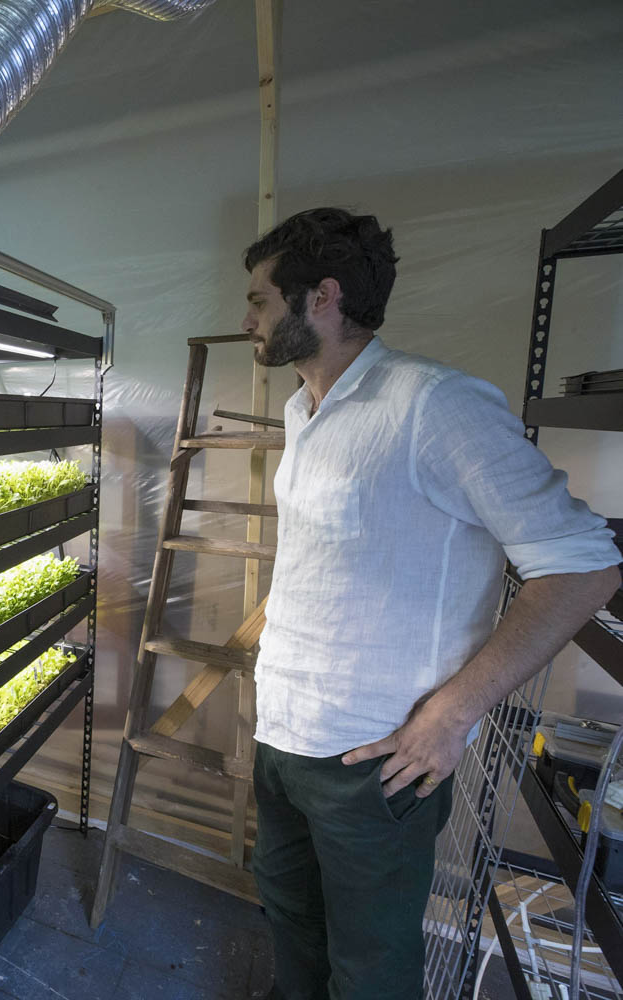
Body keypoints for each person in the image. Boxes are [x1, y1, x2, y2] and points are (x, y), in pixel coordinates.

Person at [240, 207, 621, 1000]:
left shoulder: (433, 405)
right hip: (283, 731)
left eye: (259, 300)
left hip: (376, 760)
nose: (247, 318)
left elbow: (583, 566)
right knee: (290, 917)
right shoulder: (303, 410)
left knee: (371, 965)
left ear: (322, 298)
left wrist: (452, 715)